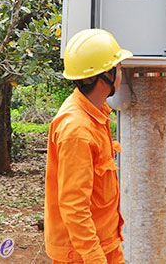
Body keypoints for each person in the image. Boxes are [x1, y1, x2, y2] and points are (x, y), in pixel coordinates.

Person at [45, 29, 132, 264]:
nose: (122, 73)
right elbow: (74, 208)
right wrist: (94, 258)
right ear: (106, 75)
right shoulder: (77, 131)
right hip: (84, 253)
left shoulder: (94, 113)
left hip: (105, 242)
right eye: (119, 67)